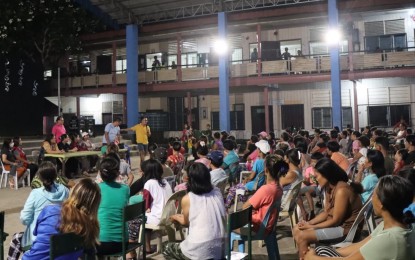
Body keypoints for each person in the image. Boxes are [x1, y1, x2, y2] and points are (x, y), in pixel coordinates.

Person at [305, 175, 415, 260]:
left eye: (373, 195)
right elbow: (360, 245)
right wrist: (331, 250)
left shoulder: (390, 238)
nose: (371, 199)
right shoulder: (395, 226)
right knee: (322, 250)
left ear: (381, 203)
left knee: (320, 252)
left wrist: (312, 257)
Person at [293, 158, 363, 259]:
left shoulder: (341, 190)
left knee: (303, 236)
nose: (315, 179)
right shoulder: (329, 187)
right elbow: (326, 213)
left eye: (317, 176)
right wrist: (309, 223)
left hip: (346, 231)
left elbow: (335, 221)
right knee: (297, 229)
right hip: (339, 227)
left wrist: (309, 227)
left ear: (326, 174)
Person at [23, 178, 101, 260]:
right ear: (95, 205)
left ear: (73, 192)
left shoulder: (49, 210)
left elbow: (35, 234)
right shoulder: (90, 229)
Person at [163, 162, 226, 259]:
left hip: (199, 248)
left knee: (166, 248)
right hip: (220, 245)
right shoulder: (217, 192)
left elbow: (185, 222)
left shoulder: (188, 198)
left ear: (189, 180)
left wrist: (175, 217)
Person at [7, 162, 69, 260]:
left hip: (38, 240)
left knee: (16, 238)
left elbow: (24, 218)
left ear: (39, 176)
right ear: (55, 175)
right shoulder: (65, 191)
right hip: (60, 238)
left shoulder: (35, 193)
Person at [232, 154, 286, 250]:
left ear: (266, 170)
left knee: (229, 226)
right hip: (270, 226)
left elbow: (245, 207)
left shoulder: (266, 189)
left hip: (259, 228)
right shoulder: (279, 187)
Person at [128, 159, 172, 256]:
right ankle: (147, 247)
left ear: (146, 172)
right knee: (146, 216)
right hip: (167, 216)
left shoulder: (149, 183)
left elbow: (146, 206)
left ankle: (131, 250)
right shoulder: (165, 181)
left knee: (131, 221)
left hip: (157, 218)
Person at [96, 156, 130, 256]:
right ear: (118, 173)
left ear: (100, 173)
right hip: (122, 243)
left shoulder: (96, 188)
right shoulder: (125, 189)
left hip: (100, 243)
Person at [225, 140, 269, 209]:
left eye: (257, 149)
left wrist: (246, 179)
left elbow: (251, 176)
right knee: (239, 190)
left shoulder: (258, 162)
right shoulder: (267, 161)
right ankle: (244, 202)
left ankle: (226, 207)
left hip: (252, 185)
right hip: (260, 184)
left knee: (232, 190)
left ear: (260, 151)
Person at [297, 152, 324, 221]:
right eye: (311, 161)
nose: (312, 163)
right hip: (311, 186)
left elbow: (319, 182)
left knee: (306, 192)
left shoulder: (321, 169)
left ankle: (312, 212)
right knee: (297, 193)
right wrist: (304, 180)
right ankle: (306, 211)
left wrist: (315, 173)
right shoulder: (309, 169)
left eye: (314, 162)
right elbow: (307, 182)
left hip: (319, 187)